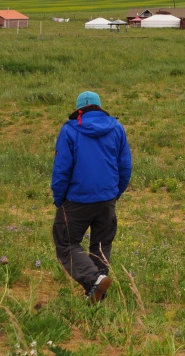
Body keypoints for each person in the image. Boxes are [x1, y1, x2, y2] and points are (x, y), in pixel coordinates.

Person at [51, 91, 132, 303]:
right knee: (101, 244)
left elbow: (61, 169)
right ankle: (97, 292)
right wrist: (115, 193)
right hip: (107, 198)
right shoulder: (116, 128)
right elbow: (125, 166)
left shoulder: (69, 130)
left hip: (77, 199)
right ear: (99, 106)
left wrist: (59, 198)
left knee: (66, 243)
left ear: (79, 109)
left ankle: (94, 280)